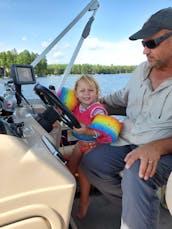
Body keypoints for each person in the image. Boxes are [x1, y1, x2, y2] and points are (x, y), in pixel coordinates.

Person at [81, 7, 172, 229]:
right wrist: (91, 108)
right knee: (91, 163)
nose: (144, 51)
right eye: (143, 44)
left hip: (164, 149)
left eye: (151, 43)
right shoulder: (141, 71)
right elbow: (118, 100)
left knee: (137, 171)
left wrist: (158, 147)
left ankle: (137, 217)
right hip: (128, 139)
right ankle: (138, 208)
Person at [59, 75, 121, 219]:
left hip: (97, 143)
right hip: (82, 143)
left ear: (97, 92)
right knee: (71, 166)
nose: (86, 94)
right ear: (76, 93)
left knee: (82, 167)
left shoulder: (97, 110)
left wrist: (88, 131)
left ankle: (84, 201)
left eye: (91, 90)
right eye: (82, 91)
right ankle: (63, 195)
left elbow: (102, 131)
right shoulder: (77, 106)